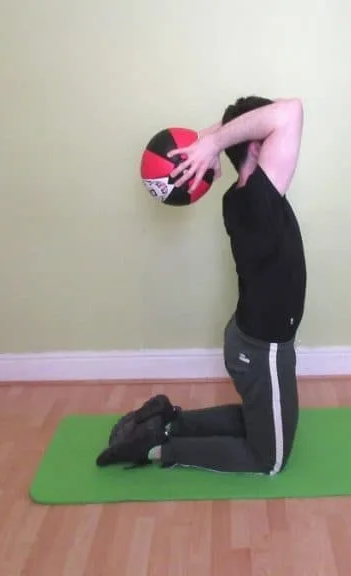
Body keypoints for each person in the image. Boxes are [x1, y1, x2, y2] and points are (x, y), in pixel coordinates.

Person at [97, 96, 307, 475]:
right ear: (260, 145)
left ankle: (168, 420)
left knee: (258, 421)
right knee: (269, 460)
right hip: (263, 350)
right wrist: (213, 142)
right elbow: (291, 110)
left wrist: (213, 141)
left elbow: (256, 127)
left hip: (252, 342)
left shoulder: (241, 197)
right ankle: (156, 448)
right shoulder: (260, 197)